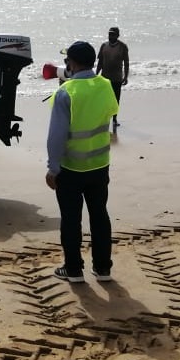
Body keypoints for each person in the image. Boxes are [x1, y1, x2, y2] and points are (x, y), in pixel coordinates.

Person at [45, 40, 119, 284]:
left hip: (71, 168)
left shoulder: (66, 92)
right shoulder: (105, 85)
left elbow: (56, 137)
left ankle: (73, 269)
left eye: (67, 60)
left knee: (71, 219)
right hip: (99, 164)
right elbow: (109, 113)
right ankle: (103, 268)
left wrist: (52, 169)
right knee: (99, 215)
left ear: (72, 63)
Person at [95, 26, 130, 128]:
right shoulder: (104, 46)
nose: (111, 36)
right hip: (104, 78)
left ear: (118, 35)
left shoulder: (123, 47)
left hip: (117, 78)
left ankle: (114, 119)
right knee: (104, 99)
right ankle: (104, 118)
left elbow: (126, 63)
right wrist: (96, 74)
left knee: (115, 99)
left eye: (113, 34)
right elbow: (100, 62)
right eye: (109, 34)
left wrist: (125, 76)